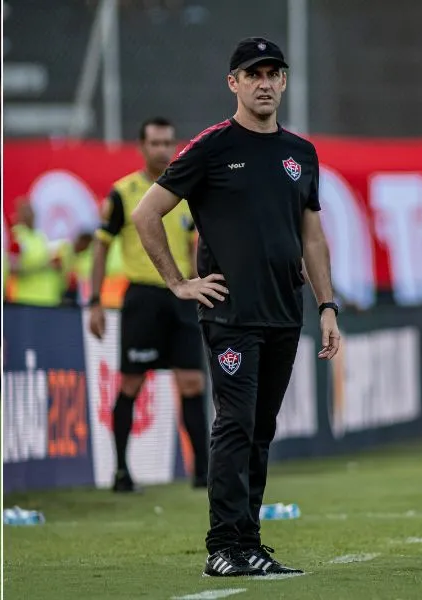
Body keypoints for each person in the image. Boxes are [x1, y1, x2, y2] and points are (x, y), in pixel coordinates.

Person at [132, 37, 340, 577]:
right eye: (254, 74)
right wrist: (179, 282)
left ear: (284, 82)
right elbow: (146, 214)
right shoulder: (212, 147)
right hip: (229, 315)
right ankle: (223, 547)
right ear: (235, 84)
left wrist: (327, 306)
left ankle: (249, 543)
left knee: (261, 429)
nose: (265, 83)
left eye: (273, 73)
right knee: (235, 425)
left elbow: (311, 236)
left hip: (283, 312)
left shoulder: (301, 153)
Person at [89, 117, 210, 492]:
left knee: (191, 382)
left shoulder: (189, 192)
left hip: (184, 297)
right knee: (131, 382)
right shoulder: (123, 193)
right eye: (155, 143)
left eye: (168, 142)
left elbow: (201, 243)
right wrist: (94, 301)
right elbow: (100, 247)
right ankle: (122, 471)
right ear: (141, 147)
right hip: (142, 296)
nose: (162, 150)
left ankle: (202, 473)